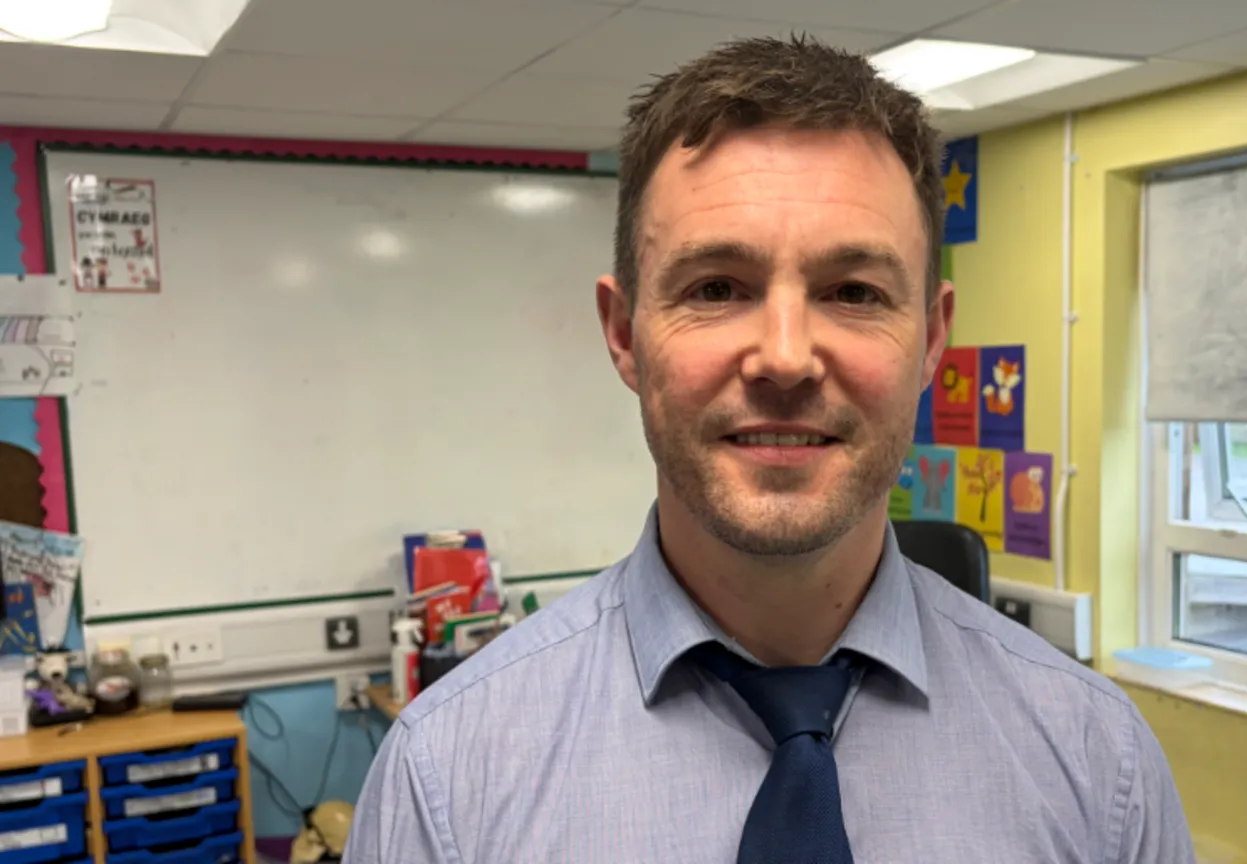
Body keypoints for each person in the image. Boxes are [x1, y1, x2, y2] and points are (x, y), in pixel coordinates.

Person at [345, 35, 1194, 864]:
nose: (786, 356)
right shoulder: (445, 780)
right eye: (716, 287)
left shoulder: (1098, 763)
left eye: (853, 291)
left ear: (932, 339)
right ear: (624, 335)